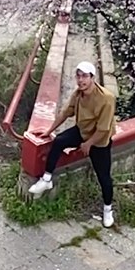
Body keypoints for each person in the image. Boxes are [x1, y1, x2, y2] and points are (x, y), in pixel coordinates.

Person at [27, 62, 118, 227]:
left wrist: (89, 144)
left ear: (92, 78)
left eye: (85, 76)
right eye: (78, 76)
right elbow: (65, 113)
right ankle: (46, 179)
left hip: (99, 139)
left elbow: (104, 129)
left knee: (103, 176)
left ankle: (107, 209)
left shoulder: (106, 98)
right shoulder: (78, 94)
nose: (81, 80)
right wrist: (49, 131)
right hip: (83, 130)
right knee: (59, 141)